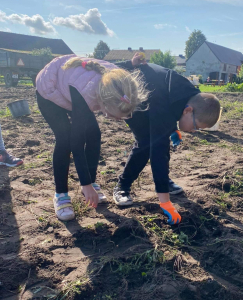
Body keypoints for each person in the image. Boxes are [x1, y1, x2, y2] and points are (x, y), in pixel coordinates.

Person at [35, 53, 148, 221]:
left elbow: (104, 63)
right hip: (50, 90)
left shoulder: (118, 82)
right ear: (103, 103)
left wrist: (130, 63)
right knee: (65, 138)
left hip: (72, 86)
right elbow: (77, 143)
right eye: (116, 116)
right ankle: (61, 194)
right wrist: (84, 183)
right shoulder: (86, 94)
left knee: (94, 134)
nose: (119, 120)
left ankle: (91, 182)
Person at [113, 64, 221, 225]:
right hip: (128, 95)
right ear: (188, 111)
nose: (194, 131)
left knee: (158, 138)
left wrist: (172, 129)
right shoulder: (164, 104)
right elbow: (159, 153)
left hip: (153, 96)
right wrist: (165, 202)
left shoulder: (191, 96)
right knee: (146, 143)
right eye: (196, 127)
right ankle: (122, 186)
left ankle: (164, 181)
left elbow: (172, 111)